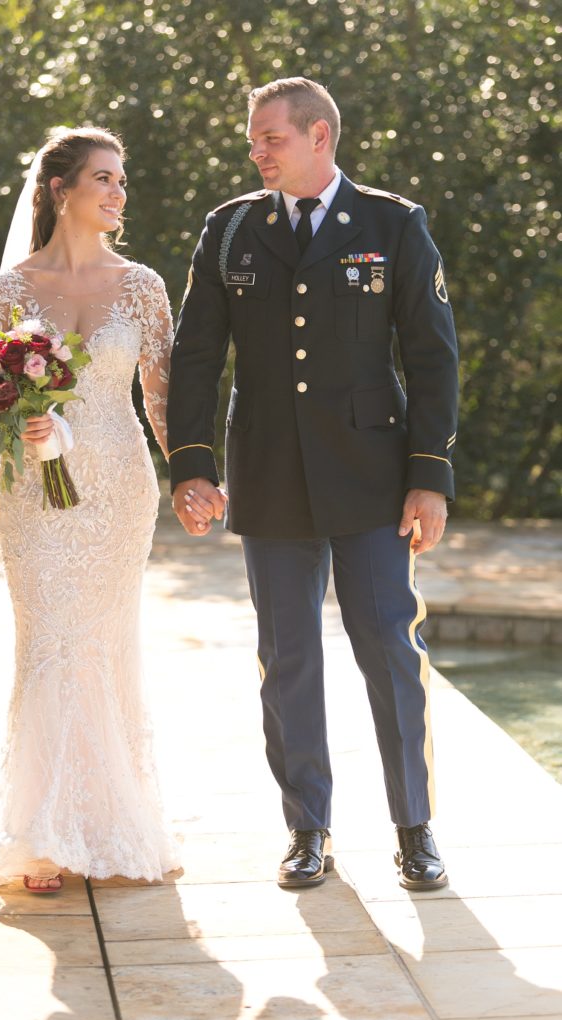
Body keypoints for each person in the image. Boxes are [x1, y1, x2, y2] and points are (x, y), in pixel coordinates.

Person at [167, 78, 459, 891]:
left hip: (373, 475)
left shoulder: (393, 223)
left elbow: (432, 356)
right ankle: (308, 829)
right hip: (268, 470)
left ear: (319, 135)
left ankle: (415, 828)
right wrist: (192, 464)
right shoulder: (230, 229)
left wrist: (429, 476)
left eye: (271, 137)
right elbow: (196, 354)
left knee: (390, 650)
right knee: (286, 656)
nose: (256, 151)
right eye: (253, 139)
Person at [0, 127, 179, 892]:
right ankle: (40, 832)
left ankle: (105, 817)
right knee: (50, 642)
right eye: (104, 178)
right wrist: (14, 418)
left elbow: (162, 400)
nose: (119, 192)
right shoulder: (7, 291)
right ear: (60, 189)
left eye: (122, 180)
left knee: (102, 644)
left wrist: (194, 477)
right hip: (34, 490)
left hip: (119, 489)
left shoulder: (143, 287)